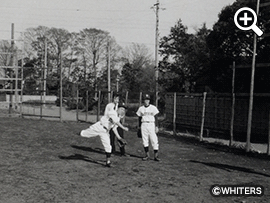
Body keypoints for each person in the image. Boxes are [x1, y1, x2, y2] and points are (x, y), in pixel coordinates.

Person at [80, 103, 129, 167]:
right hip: (99, 127)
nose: (123, 111)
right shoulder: (112, 112)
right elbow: (116, 122)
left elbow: (114, 129)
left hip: (105, 132)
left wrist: (119, 138)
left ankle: (108, 162)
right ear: (118, 108)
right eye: (122, 109)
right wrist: (124, 128)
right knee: (84, 134)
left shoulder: (118, 118)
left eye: (124, 110)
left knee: (108, 147)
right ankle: (78, 133)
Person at [136, 94, 160, 161]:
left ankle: (156, 156)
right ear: (143, 101)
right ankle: (147, 155)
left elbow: (156, 117)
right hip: (144, 124)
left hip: (151, 124)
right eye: (145, 100)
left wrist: (156, 126)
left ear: (149, 101)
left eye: (147, 100)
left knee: (154, 140)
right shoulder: (141, 108)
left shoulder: (153, 108)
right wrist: (139, 127)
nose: (146, 101)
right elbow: (139, 118)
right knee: (145, 140)